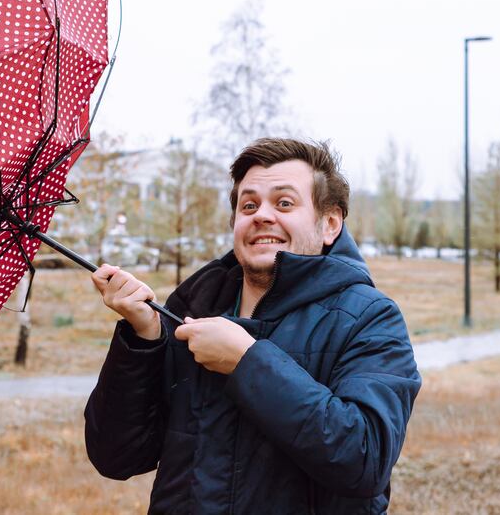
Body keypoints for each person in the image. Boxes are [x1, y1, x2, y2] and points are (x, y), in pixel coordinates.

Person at [84, 138, 421, 514]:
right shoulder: (192, 307)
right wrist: (143, 338)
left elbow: (365, 459)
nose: (261, 215)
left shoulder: (371, 319)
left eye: (284, 203)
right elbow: (115, 455)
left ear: (329, 224)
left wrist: (246, 362)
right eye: (249, 205)